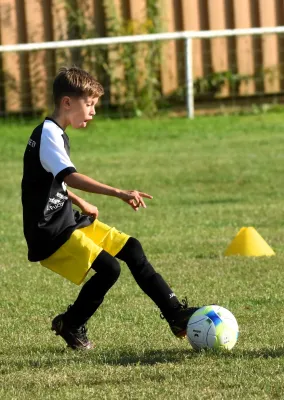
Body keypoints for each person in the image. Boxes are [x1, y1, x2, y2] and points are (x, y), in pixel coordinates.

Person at [21, 66, 199, 350]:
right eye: (88, 104)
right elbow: (69, 175)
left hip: (65, 219)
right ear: (67, 102)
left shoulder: (54, 132)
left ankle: (175, 313)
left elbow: (47, 180)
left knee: (132, 247)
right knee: (109, 269)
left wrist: (79, 201)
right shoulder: (48, 134)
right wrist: (117, 192)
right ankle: (71, 323)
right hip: (49, 232)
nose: (92, 111)